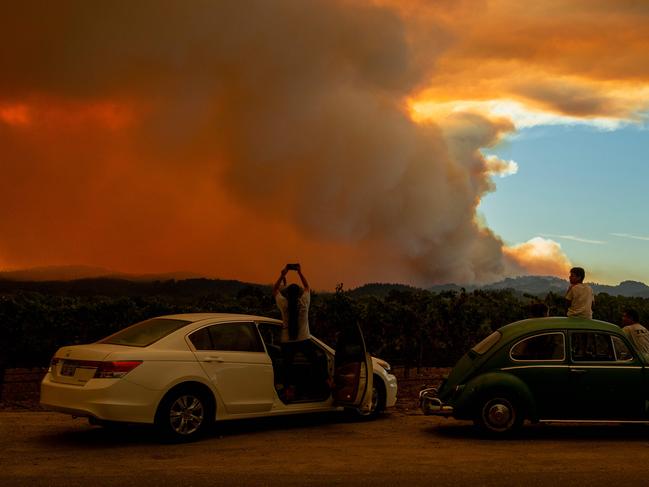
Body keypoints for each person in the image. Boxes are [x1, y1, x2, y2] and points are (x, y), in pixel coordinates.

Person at [272, 264, 312, 401]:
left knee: (287, 368)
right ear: (299, 294)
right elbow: (307, 287)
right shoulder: (304, 303)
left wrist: (283, 274)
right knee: (319, 360)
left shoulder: (284, 304)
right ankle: (327, 382)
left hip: (287, 342)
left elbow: (275, 289)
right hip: (303, 341)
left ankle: (288, 391)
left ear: (287, 294)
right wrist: (300, 273)